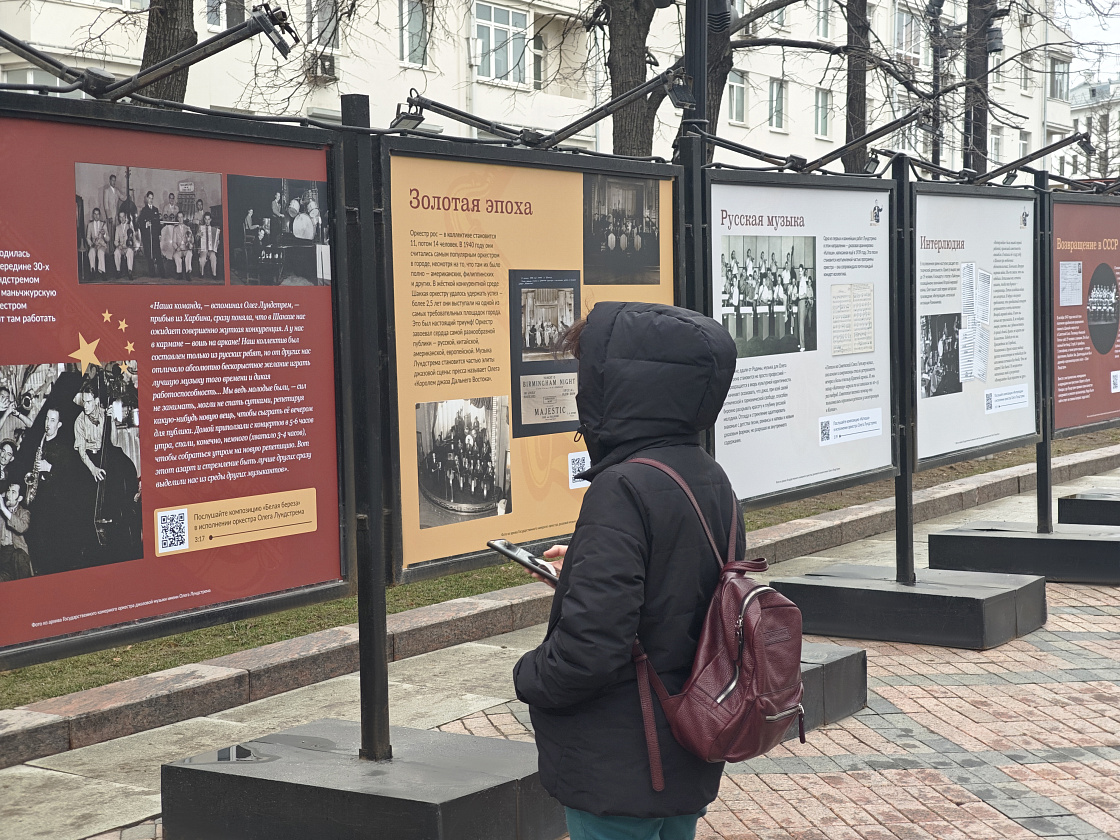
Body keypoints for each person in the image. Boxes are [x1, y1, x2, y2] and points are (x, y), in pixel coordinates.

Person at [513, 302, 740, 840]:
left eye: (586, 376)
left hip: (622, 759)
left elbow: (591, 646)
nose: (580, 392)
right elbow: (682, 584)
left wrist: (529, 676)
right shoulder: (707, 475)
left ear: (620, 385)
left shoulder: (621, 488)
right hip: (689, 739)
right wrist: (584, 568)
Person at [0, 480, 32, 580]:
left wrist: (4, 509)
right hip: (3, 555)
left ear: (20, 498)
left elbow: (22, 527)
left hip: (17, 556)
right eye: (8, 491)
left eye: (13, 492)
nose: (9, 494)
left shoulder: (24, 512)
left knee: (18, 555)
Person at [137, 191, 163, 278]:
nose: (151, 200)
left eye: (152, 198)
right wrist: (145, 225)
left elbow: (158, 223)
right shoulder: (144, 210)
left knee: (158, 254)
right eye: (149, 198)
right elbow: (140, 223)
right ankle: (152, 273)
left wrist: (159, 234)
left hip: (155, 236)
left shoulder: (156, 210)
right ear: (146, 199)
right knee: (150, 255)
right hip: (147, 237)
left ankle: (162, 273)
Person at [196, 212, 220, 279]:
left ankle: (214, 274)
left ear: (210, 220)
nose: (207, 221)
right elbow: (196, 239)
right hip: (203, 249)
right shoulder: (201, 228)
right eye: (206, 219)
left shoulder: (214, 229)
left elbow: (217, 241)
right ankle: (201, 273)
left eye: (208, 219)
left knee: (213, 257)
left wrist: (217, 242)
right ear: (204, 219)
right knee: (202, 259)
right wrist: (198, 235)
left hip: (211, 249)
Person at [86, 208, 109, 277]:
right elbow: (88, 237)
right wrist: (91, 244)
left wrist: (104, 233)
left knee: (100, 252)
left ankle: (102, 272)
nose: (96, 216)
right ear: (93, 215)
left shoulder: (103, 224)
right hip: (94, 245)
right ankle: (92, 270)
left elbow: (108, 239)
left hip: (101, 245)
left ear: (100, 215)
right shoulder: (90, 225)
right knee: (91, 252)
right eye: (95, 214)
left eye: (98, 214)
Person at [114, 210, 135, 280]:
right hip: (120, 247)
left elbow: (133, 240)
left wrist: (129, 246)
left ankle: (130, 272)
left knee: (130, 251)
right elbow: (115, 241)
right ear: (119, 218)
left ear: (126, 217)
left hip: (128, 247)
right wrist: (118, 246)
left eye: (123, 217)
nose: (122, 219)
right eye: (120, 217)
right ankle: (118, 271)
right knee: (116, 252)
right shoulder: (117, 227)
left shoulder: (130, 226)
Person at [172, 211, 194, 280]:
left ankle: (188, 273)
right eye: (179, 217)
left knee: (189, 254)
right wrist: (176, 248)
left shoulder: (187, 228)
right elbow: (173, 242)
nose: (180, 219)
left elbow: (192, 240)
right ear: (177, 219)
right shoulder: (175, 229)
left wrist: (190, 243)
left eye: (182, 217)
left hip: (186, 249)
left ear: (183, 218)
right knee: (176, 256)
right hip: (179, 249)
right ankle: (179, 273)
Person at [102, 174, 121, 246]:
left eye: (114, 181)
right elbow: (105, 205)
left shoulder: (117, 191)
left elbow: (122, 197)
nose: (114, 182)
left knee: (116, 233)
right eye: (112, 180)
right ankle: (110, 250)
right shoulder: (106, 191)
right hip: (110, 216)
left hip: (116, 215)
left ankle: (116, 248)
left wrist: (129, 196)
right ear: (110, 181)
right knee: (110, 233)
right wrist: (109, 216)